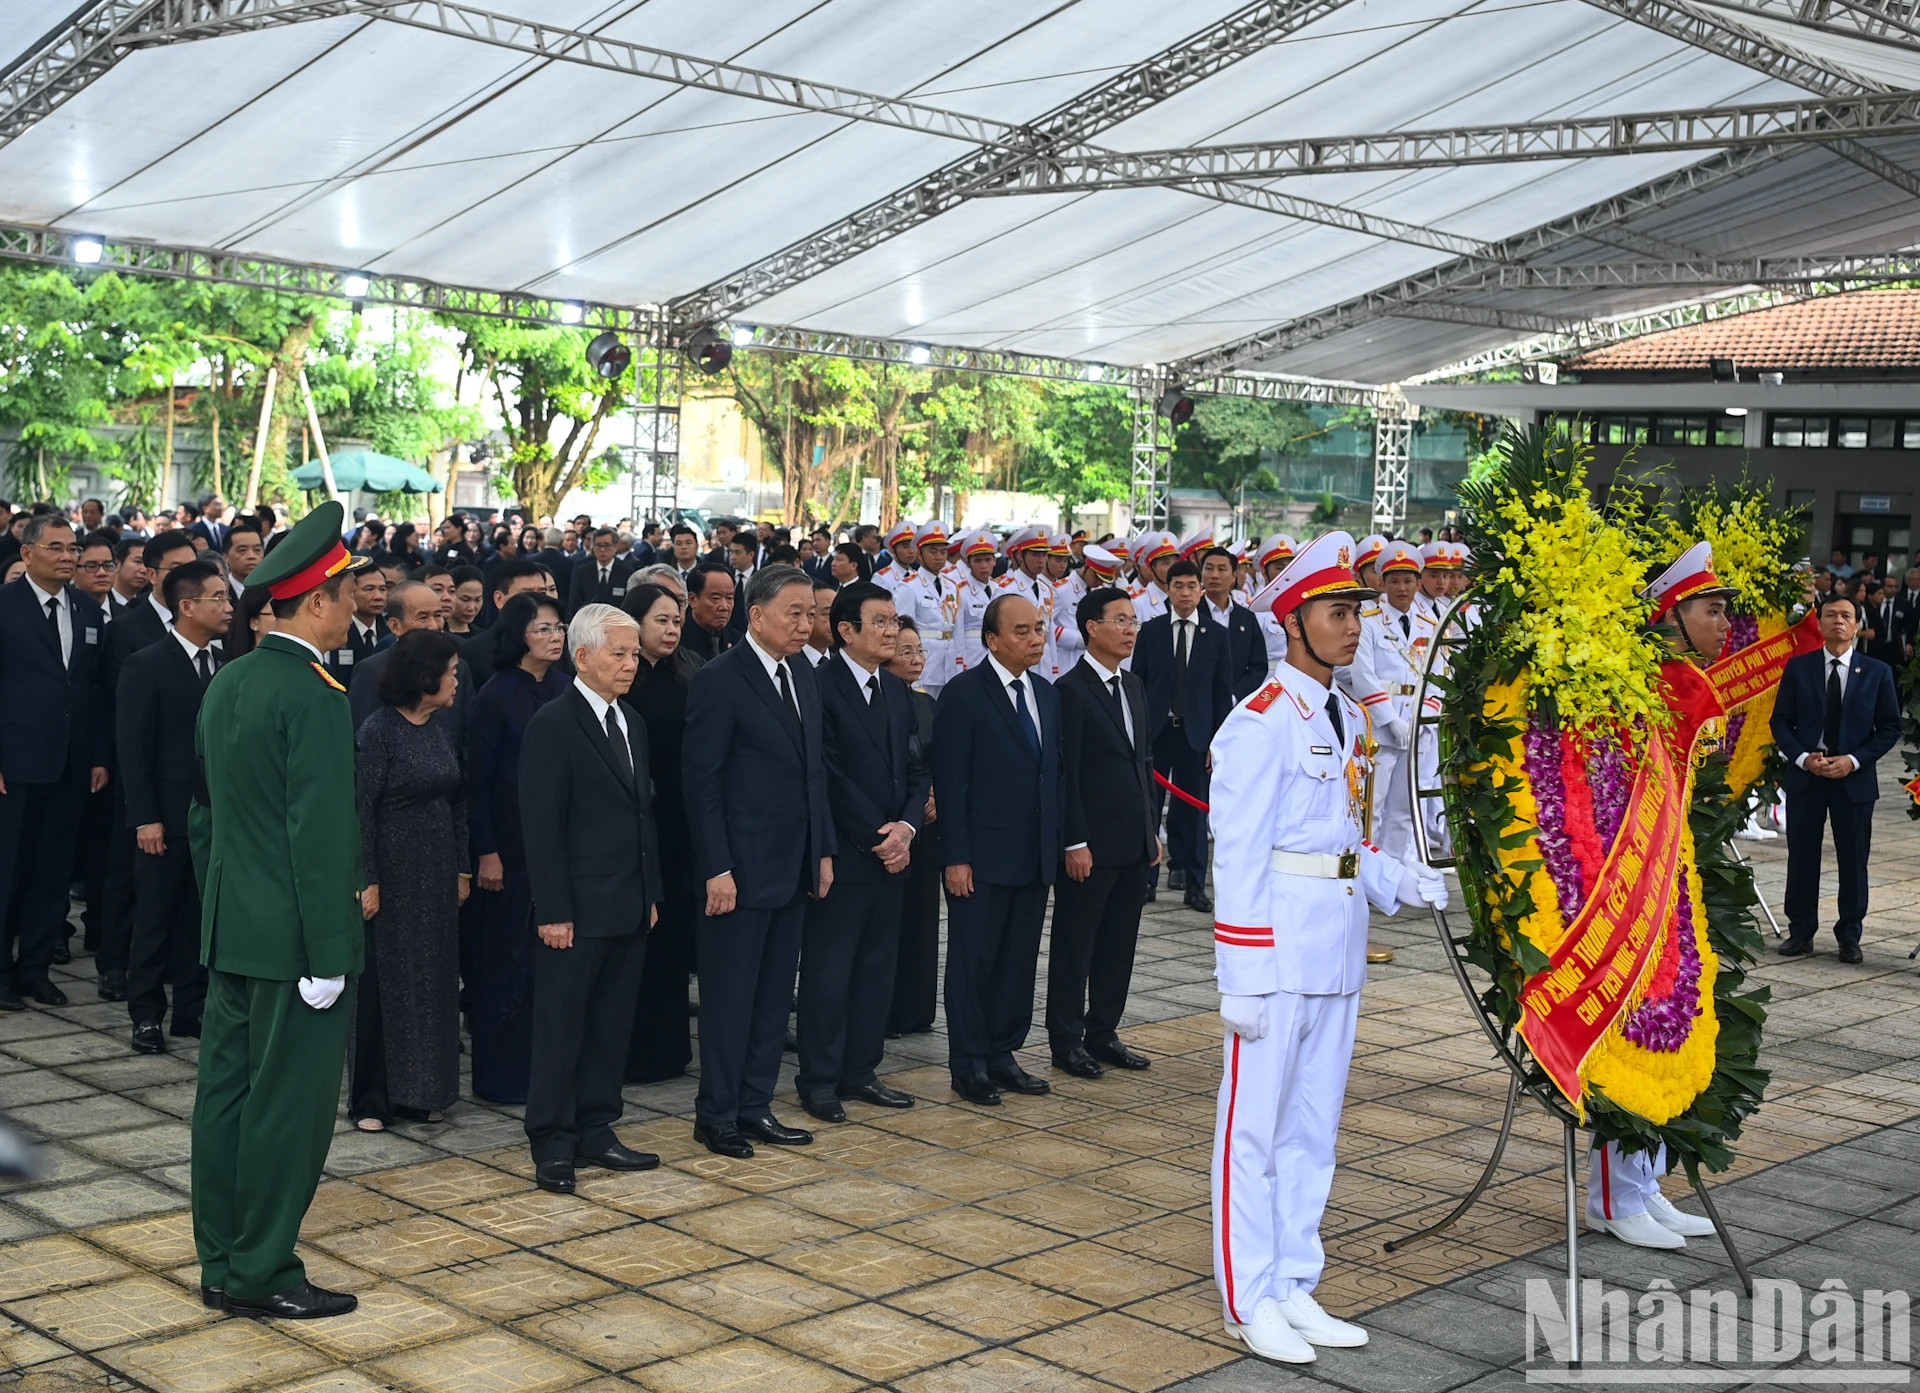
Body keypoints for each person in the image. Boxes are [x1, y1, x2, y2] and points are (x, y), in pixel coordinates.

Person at [1208, 531, 1445, 1363]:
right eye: (1338, 612)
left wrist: (1398, 880)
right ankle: (1249, 1295)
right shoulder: (1261, 723)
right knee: (1256, 1134)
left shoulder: (1344, 713)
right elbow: (1237, 852)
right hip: (1275, 954)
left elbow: (1339, 835)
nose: (1354, 626)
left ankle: (1294, 1281)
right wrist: (1239, 972)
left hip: (1336, 948)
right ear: (1294, 620)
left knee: (1314, 1130)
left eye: (1356, 610)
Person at [191, 499, 371, 1320]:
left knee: (225, 1100)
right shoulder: (313, 693)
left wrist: (226, 907)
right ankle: (263, 1269)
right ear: (312, 603)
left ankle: (224, 1259)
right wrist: (329, 950)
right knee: (286, 1111)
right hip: (297, 941)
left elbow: (209, 814)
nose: (354, 603)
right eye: (344, 592)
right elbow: (322, 835)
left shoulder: (230, 679)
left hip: (235, 927)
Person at [1585, 543, 1736, 1251]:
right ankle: (1614, 1195)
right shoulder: (1658, 683)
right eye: (1711, 610)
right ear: (1673, 617)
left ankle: (1642, 1183)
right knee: (1637, 1027)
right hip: (1634, 880)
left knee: (1671, 1022)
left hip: (1669, 871)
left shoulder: (1682, 678)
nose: (1724, 623)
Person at [684, 565, 835, 1158]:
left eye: (811, 614)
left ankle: (755, 1104)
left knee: (774, 997)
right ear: (758, 616)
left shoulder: (803, 673)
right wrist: (716, 868)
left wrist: (820, 850)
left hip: (793, 862)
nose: (805, 625)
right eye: (794, 614)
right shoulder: (720, 680)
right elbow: (702, 784)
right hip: (739, 871)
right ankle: (716, 1114)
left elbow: (814, 773)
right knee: (730, 997)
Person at [518, 604, 664, 1194]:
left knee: (610, 1023)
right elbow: (541, 825)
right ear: (584, 657)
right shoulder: (554, 723)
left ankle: (598, 1128)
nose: (631, 664)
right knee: (562, 1025)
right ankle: (553, 1141)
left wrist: (651, 891)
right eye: (620, 654)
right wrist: (554, 910)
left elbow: (642, 813)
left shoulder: (632, 721)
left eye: (634, 654)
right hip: (574, 909)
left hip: (628, 902)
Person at [797, 581, 929, 1123]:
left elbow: (919, 770)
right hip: (847, 855)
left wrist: (906, 828)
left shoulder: (896, 689)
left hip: (894, 854)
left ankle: (861, 1069)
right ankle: (820, 1079)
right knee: (831, 971)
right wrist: (879, 837)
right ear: (845, 629)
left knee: (878, 967)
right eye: (880, 621)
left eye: (895, 621)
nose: (892, 631)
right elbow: (826, 774)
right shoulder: (818, 685)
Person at [934, 593, 1063, 1106]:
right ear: (992, 639)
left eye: (1039, 630)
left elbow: (1052, 775)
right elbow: (952, 782)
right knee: (973, 960)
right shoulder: (964, 695)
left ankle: (1003, 1052)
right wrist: (956, 856)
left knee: (1017, 959)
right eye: (1023, 632)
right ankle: (968, 1063)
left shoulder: (1046, 694)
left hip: (1033, 855)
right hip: (981, 858)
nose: (1036, 640)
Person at [350, 631, 467, 1131]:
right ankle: (373, 1100)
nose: (458, 681)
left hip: (437, 874)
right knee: (386, 987)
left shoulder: (439, 727)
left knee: (433, 982)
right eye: (451, 672)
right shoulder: (378, 732)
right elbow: (359, 811)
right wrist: (367, 878)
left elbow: (457, 801)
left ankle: (422, 1092)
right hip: (392, 876)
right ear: (424, 677)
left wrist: (462, 867)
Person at [463, 594, 570, 1105]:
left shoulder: (565, 687)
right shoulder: (496, 694)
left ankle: (543, 1072)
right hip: (506, 846)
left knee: (547, 965)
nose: (555, 636)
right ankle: (501, 1076)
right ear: (517, 636)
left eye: (559, 627)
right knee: (503, 962)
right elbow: (477, 781)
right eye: (543, 628)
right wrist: (485, 851)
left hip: (555, 847)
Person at [116, 560, 227, 1052]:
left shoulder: (227, 663)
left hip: (214, 817)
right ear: (187, 606)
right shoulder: (147, 663)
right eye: (218, 599)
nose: (228, 607)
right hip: (163, 815)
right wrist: (145, 817)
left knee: (198, 917)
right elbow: (133, 748)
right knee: (155, 918)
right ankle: (145, 1014)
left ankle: (191, 1008)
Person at [0, 514, 109, 1010]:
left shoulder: (88, 610)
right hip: (15, 763)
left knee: (54, 871)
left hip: (71, 763)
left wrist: (98, 756)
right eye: (57, 548)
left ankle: (35, 969)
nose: (68, 557)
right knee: (9, 870)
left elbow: (94, 690)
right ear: (27, 554)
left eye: (73, 548)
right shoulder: (5, 606)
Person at [1047, 586, 1156, 1079]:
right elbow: (1064, 774)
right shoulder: (1069, 691)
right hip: (1090, 843)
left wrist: (1152, 830)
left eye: (1134, 621)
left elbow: (1143, 763)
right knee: (1077, 944)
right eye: (1121, 620)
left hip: (1132, 840)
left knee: (1119, 943)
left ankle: (1103, 1031)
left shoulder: (1133, 686)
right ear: (1092, 627)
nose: (1131, 629)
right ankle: (1066, 1039)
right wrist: (1074, 840)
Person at [1773, 590, 1902, 965]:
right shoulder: (1799, 668)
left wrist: (1854, 760)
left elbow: (1890, 727)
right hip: (1807, 778)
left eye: (1846, 615)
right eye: (1831, 615)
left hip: (1853, 781)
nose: (1839, 621)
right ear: (1820, 622)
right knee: (1802, 857)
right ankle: (1800, 932)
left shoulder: (1877, 673)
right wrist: (1801, 758)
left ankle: (1849, 936)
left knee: (1853, 859)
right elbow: (1781, 721)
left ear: (1857, 626)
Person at [621, 583, 702, 1084]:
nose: (672, 630)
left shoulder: (686, 676)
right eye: (661, 621)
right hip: (635, 824)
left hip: (678, 823)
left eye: (676, 621)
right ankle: (631, 1052)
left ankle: (669, 1049)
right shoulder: (623, 680)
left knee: (672, 938)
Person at [1133, 559, 1231, 914]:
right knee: (1149, 808)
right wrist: (1139, 732)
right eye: (1178, 586)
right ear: (1168, 590)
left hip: (1197, 736)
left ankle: (1194, 884)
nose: (1185, 592)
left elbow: (1222, 693)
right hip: (1156, 734)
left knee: (1194, 812)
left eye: (1192, 586)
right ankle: (1146, 879)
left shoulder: (1216, 635)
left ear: (1201, 590)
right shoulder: (1151, 631)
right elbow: (1137, 685)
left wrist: (1217, 743)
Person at [1344, 541, 1431, 859]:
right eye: (1394, 580)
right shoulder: (1368, 621)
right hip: (1380, 727)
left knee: (1404, 807)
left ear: (1418, 582)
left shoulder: (1430, 625)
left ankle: (1393, 871)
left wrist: (1422, 718)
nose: (1402, 587)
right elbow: (1363, 676)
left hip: (1417, 727)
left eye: (1408, 580)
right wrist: (1390, 720)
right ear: (1381, 581)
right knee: (1371, 805)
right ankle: (1367, 871)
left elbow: (1438, 677)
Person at [884, 616, 941, 1036]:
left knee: (923, 918)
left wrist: (935, 796)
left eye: (919, 650)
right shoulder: (883, 702)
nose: (916, 659)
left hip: (927, 828)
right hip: (891, 825)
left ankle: (916, 1006)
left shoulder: (926, 703)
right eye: (906, 651)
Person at [1200, 546, 1268, 701]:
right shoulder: (1191, 614)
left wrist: (1236, 695)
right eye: (1209, 569)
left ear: (1233, 576)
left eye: (1222, 569)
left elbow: (1258, 666)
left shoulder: (1246, 617)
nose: (1214, 575)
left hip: (1236, 704)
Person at [325, 566, 388, 686]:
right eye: (369, 589)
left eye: (383, 589)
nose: (378, 596)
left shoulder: (390, 632)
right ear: (352, 592)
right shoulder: (335, 633)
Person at [568, 527, 635, 617]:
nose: (602, 550)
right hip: (587, 622)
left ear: (615, 547)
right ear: (593, 547)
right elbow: (574, 602)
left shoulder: (627, 571)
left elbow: (629, 604)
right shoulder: (582, 571)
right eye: (599, 545)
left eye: (607, 545)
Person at [679, 564, 736, 661]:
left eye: (729, 598)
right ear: (692, 599)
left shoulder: (739, 642)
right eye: (715, 598)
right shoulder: (677, 643)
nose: (724, 607)